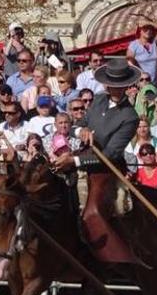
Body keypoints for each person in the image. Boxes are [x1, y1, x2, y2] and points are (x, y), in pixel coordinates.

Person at [54, 59, 147, 266]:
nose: (114, 87)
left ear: (126, 86)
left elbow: (111, 154)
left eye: (119, 84)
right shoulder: (97, 100)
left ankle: (97, 255)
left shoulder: (129, 116)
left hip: (105, 167)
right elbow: (75, 125)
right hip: (82, 154)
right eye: (111, 83)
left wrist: (75, 160)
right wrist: (81, 131)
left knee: (92, 210)